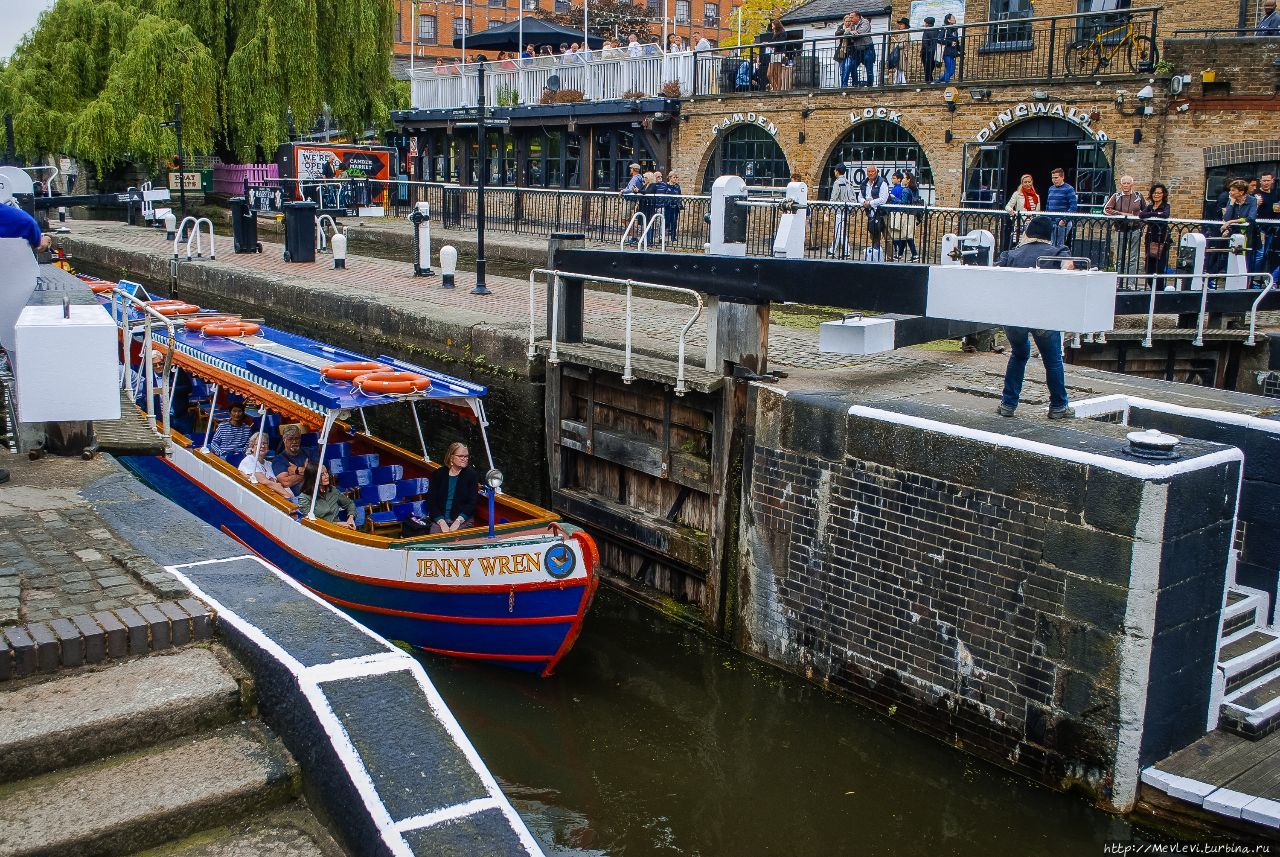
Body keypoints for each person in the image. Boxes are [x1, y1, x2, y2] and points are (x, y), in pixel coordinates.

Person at [995, 215, 1075, 420]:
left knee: (1019, 354)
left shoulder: (1011, 254)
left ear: (1027, 233)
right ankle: (1058, 405)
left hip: (1014, 315)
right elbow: (1069, 268)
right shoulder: (1058, 251)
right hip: (1044, 314)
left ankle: (1008, 404)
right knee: (1053, 360)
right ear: (1049, 236)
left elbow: (995, 274)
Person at [426, 442, 479, 533]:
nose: (464, 459)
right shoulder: (438, 474)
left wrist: (458, 521)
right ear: (451, 457)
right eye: (461, 456)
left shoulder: (471, 475)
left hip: (462, 520)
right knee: (435, 538)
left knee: (455, 540)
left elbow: (472, 503)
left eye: (466, 456)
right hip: (440, 519)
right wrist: (441, 522)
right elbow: (431, 501)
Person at [1103, 175, 1144, 278]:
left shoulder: (1138, 196)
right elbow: (1106, 209)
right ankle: (1118, 280)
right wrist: (1121, 214)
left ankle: (1130, 282)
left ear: (1132, 184)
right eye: (1124, 183)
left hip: (1135, 229)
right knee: (1120, 257)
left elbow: (1146, 211)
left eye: (1128, 183)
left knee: (1133, 258)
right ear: (1121, 185)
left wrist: (1141, 224)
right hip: (1120, 229)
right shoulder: (1116, 196)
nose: (1126, 185)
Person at [297, 461, 357, 529]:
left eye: (326, 473)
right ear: (313, 478)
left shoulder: (333, 490)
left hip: (339, 529)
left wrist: (351, 517)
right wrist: (337, 524)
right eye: (322, 474)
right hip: (320, 532)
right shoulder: (304, 498)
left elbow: (350, 504)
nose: (327, 476)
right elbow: (312, 522)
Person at [1221, 179, 1259, 285]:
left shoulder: (1252, 200)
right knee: (1232, 258)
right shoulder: (1231, 200)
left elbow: (1250, 218)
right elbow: (1226, 217)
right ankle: (1232, 282)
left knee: (1245, 261)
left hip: (1248, 235)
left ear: (1241, 192)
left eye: (1233, 190)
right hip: (1234, 235)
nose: (1230, 192)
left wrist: (1232, 221)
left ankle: (1246, 284)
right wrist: (1231, 204)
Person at [238, 432, 295, 500]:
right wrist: (290, 498)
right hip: (264, 498)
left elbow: (281, 481)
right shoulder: (248, 460)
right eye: (259, 443)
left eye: (265, 443)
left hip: (279, 497)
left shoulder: (270, 464)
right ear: (252, 447)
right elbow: (266, 482)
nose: (262, 446)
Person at [1138, 183, 1171, 290]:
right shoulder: (1150, 206)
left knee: (1159, 267)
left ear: (1163, 194)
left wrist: (1151, 215)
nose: (1156, 195)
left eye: (1159, 193)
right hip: (1150, 239)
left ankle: (1159, 291)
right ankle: (1152, 288)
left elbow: (1165, 215)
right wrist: (1155, 214)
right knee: (1149, 267)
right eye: (1155, 193)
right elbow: (1141, 215)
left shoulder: (1166, 206)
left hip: (1161, 240)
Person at [272, 424, 319, 494]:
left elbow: (320, 472)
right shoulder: (278, 460)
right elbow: (286, 482)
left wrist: (296, 470)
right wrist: (309, 472)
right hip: (298, 498)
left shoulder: (310, 452)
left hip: (318, 492)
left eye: (297, 438)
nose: (294, 442)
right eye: (290, 439)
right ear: (284, 440)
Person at [860, 163, 890, 260]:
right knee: (873, 235)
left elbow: (883, 199)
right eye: (868, 171)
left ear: (876, 172)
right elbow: (859, 196)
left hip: (882, 213)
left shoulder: (882, 183)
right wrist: (863, 202)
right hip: (871, 213)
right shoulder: (864, 183)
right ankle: (876, 257)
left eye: (872, 171)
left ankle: (890, 258)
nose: (870, 173)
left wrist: (871, 203)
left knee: (887, 236)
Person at [888, 171, 919, 262]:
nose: (903, 180)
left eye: (905, 178)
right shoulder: (914, 189)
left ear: (908, 180)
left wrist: (893, 198)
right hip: (912, 214)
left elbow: (903, 203)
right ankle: (901, 255)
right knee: (906, 235)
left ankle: (914, 254)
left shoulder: (905, 190)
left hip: (906, 214)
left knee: (906, 235)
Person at [828, 164, 856, 258]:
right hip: (847, 209)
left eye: (835, 170)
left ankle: (846, 251)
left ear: (837, 171)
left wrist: (829, 208)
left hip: (839, 210)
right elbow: (853, 196)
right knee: (839, 230)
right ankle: (832, 250)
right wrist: (853, 209)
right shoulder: (848, 182)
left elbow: (834, 196)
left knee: (839, 231)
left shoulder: (837, 182)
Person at [1045, 167, 1078, 247]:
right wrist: (1047, 218)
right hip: (1051, 221)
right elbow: (1048, 205)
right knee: (1052, 244)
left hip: (1062, 222)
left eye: (1056, 177)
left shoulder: (1069, 189)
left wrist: (1064, 220)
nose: (1054, 180)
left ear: (1062, 177)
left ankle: (1058, 259)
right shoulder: (1051, 188)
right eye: (1052, 178)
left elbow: (1073, 207)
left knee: (1059, 245)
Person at [1255, 171, 1279, 273]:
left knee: (1267, 255)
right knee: (1259, 255)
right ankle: (1253, 278)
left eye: (1268, 180)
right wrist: (1256, 204)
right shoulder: (1256, 194)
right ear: (1260, 181)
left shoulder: (1275, 194)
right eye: (1264, 180)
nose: (1266, 183)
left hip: (1272, 228)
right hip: (1260, 229)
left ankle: (1262, 278)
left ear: (1272, 181)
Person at [763, 19, 790, 91]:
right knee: (769, 74)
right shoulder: (775, 33)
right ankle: (775, 87)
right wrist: (768, 43)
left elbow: (779, 43)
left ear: (776, 25)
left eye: (773, 25)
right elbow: (773, 42)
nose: (772, 27)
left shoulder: (783, 33)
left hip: (779, 54)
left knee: (777, 73)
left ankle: (778, 89)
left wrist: (769, 44)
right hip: (774, 54)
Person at [834, 13, 859, 89]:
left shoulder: (853, 27)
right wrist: (845, 30)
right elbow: (836, 34)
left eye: (849, 21)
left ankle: (852, 84)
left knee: (850, 67)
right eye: (846, 21)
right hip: (842, 51)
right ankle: (843, 85)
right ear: (844, 21)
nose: (848, 23)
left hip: (851, 51)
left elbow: (856, 39)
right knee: (843, 69)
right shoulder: (841, 27)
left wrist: (851, 33)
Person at [887, 18, 910, 85]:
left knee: (901, 68)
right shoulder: (901, 34)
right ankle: (899, 81)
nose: (900, 26)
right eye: (899, 24)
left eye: (901, 24)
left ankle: (901, 82)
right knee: (899, 68)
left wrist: (897, 44)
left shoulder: (906, 34)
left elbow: (904, 44)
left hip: (902, 53)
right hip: (899, 52)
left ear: (905, 25)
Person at [939, 13, 961, 83]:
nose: (955, 19)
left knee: (952, 71)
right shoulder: (945, 29)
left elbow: (956, 41)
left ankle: (938, 80)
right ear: (948, 20)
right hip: (946, 52)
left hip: (953, 52)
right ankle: (946, 83)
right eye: (953, 18)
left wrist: (960, 50)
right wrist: (950, 43)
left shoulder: (955, 30)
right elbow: (940, 39)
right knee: (949, 69)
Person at [664, 170, 684, 240]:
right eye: (674, 177)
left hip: (675, 206)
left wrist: (680, 204)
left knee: (674, 221)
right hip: (667, 206)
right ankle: (663, 235)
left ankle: (673, 236)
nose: (675, 179)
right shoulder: (666, 185)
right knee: (667, 221)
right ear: (670, 177)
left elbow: (679, 195)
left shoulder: (677, 186)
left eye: (676, 177)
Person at [920, 17, 940, 85]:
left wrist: (927, 50)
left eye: (925, 22)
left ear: (927, 23)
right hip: (935, 52)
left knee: (927, 68)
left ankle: (928, 81)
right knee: (931, 67)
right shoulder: (937, 31)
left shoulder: (926, 31)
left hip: (927, 53)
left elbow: (925, 43)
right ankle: (930, 80)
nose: (924, 24)